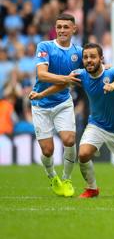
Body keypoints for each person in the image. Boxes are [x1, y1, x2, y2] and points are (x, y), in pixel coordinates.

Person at [30, 43, 114, 198]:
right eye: (86, 57)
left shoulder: (112, 71)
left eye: (93, 57)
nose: (89, 60)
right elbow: (63, 84)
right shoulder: (80, 75)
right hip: (96, 125)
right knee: (83, 155)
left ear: (101, 58)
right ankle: (92, 188)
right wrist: (41, 95)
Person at [31, 13, 82, 197]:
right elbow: (42, 74)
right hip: (40, 103)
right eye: (59, 27)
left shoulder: (79, 52)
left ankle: (67, 179)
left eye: (66, 27)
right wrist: (66, 79)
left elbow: (94, 66)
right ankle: (52, 176)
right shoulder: (44, 47)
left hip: (62, 102)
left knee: (69, 140)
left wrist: (106, 68)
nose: (61, 30)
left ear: (73, 29)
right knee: (48, 150)